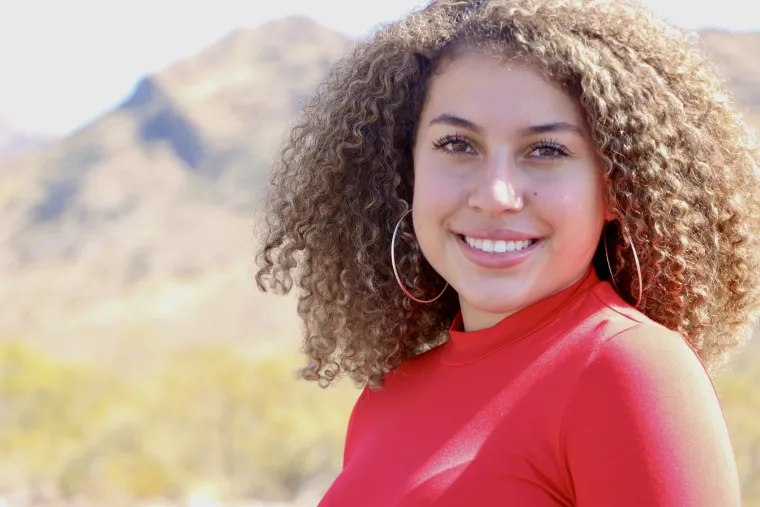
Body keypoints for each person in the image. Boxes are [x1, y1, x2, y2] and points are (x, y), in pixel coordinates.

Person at [255, 0, 760, 505]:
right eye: (457, 144)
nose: (495, 196)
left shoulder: (628, 370)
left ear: (616, 189)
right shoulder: (385, 399)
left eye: (546, 150)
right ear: (405, 172)